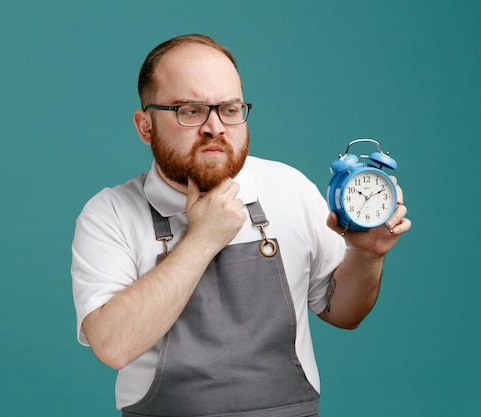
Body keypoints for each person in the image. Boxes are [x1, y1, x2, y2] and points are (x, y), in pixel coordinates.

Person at [71, 33, 411, 416]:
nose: (214, 126)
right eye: (190, 110)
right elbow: (113, 346)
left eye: (229, 109)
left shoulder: (289, 187)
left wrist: (366, 257)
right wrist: (201, 239)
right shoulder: (109, 214)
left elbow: (343, 313)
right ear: (145, 125)